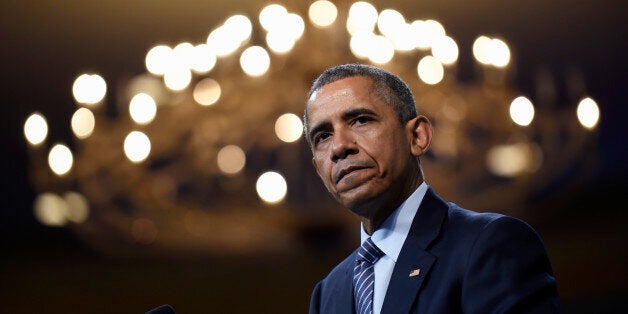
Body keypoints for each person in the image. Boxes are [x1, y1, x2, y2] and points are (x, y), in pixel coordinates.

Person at [304, 64, 560, 313]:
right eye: (323, 136)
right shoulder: (328, 293)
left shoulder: (490, 244)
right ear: (318, 170)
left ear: (417, 137)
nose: (339, 147)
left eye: (361, 120)